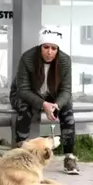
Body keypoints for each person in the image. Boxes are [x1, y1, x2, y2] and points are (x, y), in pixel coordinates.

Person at [9, 26, 80, 175]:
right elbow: (23, 90)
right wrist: (43, 105)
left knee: (67, 109)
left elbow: (66, 90)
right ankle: (18, 153)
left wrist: (56, 105)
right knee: (25, 109)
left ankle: (69, 157)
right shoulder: (27, 58)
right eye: (46, 47)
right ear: (40, 47)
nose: (49, 52)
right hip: (24, 94)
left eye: (54, 48)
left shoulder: (65, 61)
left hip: (52, 97)